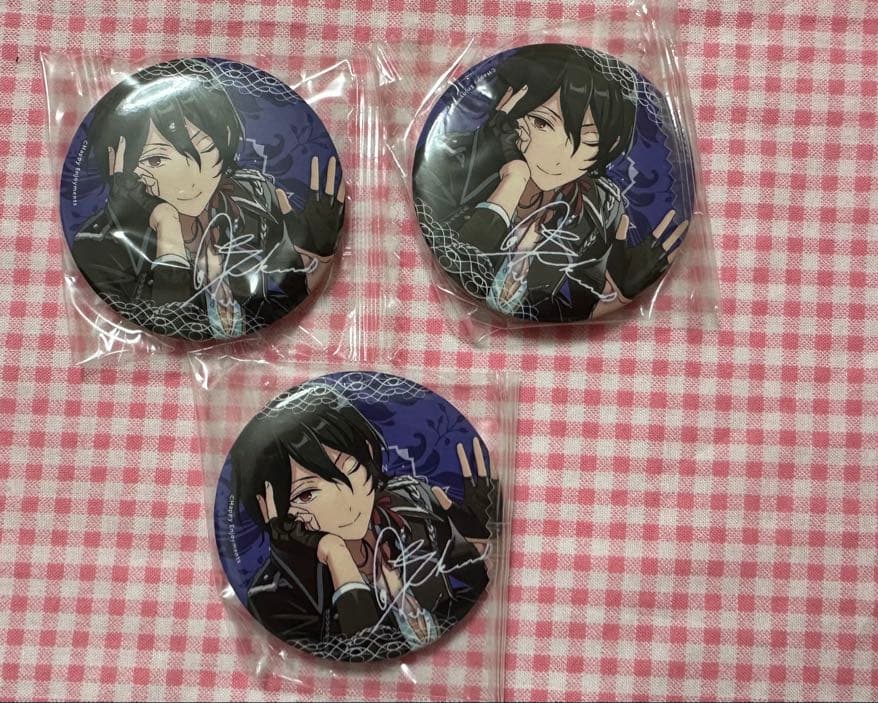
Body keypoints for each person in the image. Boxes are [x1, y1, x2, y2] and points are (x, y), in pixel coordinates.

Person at [72, 58, 344, 339]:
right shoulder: (99, 247)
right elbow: (171, 322)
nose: (186, 177)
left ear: (224, 135)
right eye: (151, 161)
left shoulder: (254, 199)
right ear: (121, 167)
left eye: (199, 148)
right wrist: (168, 231)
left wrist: (315, 256)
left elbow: (282, 300)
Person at [414, 44, 687, 322]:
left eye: (587, 139)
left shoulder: (600, 208)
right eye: (542, 123)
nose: (559, 155)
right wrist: (512, 182)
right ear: (512, 108)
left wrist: (614, 294)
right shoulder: (450, 165)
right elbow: (458, 261)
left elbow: (570, 308)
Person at [229, 384, 494, 659]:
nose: (346, 503)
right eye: (306, 494)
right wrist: (337, 557)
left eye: (347, 468)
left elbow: (476, 582)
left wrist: (482, 526)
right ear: (273, 509)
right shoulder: (275, 598)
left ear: (366, 450)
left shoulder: (414, 502)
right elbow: (364, 653)